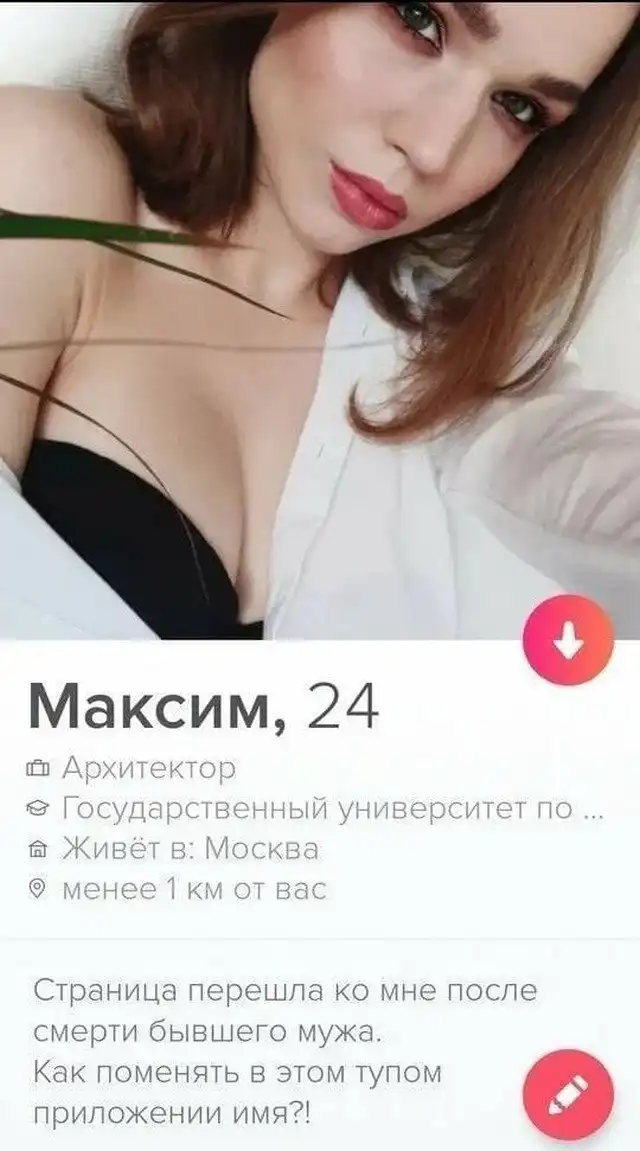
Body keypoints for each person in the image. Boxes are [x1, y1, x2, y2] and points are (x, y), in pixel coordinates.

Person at [0, 1, 639, 640]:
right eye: (419, 20)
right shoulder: (45, 178)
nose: (433, 149)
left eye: (518, 107)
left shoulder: (454, 379)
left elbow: (598, 478)